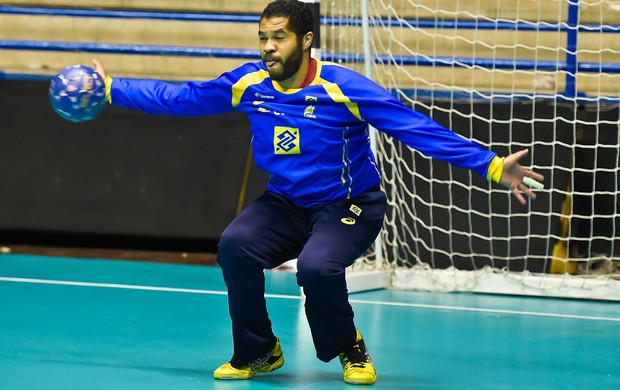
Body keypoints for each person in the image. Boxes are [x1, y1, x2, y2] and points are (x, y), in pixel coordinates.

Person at [92, 0, 544, 385]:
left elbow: (413, 128)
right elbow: (180, 98)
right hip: (285, 204)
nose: (268, 46)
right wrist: (113, 89)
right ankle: (258, 350)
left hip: (348, 206)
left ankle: (349, 347)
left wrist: (491, 165)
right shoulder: (249, 84)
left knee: (315, 267)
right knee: (234, 246)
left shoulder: (342, 87)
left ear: (305, 40)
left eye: (279, 37)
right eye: (263, 36)